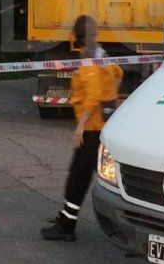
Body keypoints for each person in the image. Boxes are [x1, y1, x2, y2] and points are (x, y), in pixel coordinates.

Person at [41, 15, 123, 242]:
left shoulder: (88, 60)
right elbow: (119, 75)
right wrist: (111, 100)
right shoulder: (102, 55)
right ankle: (69, 222)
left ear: (76, 36)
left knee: (78, 177)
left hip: (92, 128)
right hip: (105, 124)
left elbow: (93, 95)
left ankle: (67, 226)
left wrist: (80, 127)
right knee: (103, 176)